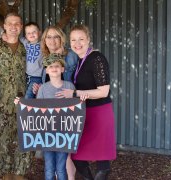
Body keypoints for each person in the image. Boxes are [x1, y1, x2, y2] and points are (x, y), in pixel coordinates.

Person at [57, 25, 116, 180]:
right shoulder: (79, 61)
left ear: (88, 40)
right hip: (84, 113)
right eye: (73, 40)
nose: (77, 43)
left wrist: (75, 93)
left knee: (103, 162)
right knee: (77, 156)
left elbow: (103, 91)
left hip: (100, 112)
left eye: (81, 39)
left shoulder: (97, 58)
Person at [0, 12, 32, 180]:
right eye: (10, 23)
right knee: (2, 141)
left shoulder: (27, 48)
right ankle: (6, 175)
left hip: (24, 102)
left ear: (21, 26)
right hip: (1, 103)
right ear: (3, 26)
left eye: (17, 23)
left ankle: (20, 175)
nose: (13, 26)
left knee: (25, 138)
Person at [32, 25, 78, 180]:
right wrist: (38, 88)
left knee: (65, 159)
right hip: (49, 123)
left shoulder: (69, 56)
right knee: (50, 166)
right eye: (49, 37)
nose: (52, 40)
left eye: (56, 36)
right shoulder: (45, 57)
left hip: (65, 118)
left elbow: (73, 83)